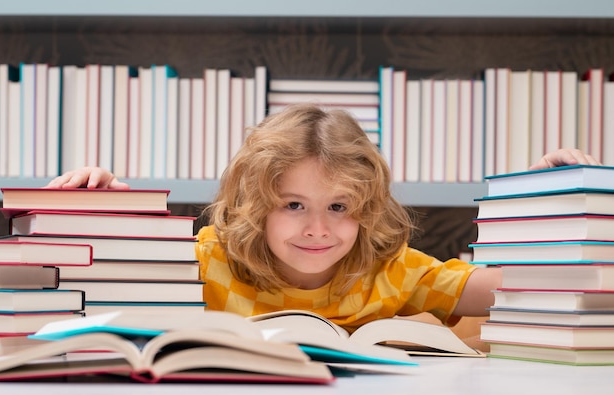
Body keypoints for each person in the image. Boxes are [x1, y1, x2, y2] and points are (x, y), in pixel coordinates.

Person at [46, 104, 601, 333]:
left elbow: (528, 287)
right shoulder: (199, 260)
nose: (318, 228)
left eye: (339, 207)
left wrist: (543, 209)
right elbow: (70, 291)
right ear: (253, 204)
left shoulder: (393, 270)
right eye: (292, 205)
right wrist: (101, 219)